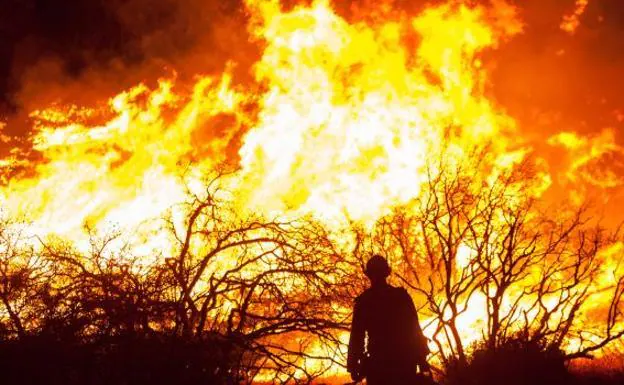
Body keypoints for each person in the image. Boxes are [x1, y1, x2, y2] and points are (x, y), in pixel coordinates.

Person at [347, 255, 431, 385]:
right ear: (387, 272)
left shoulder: (364, 301)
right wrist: (421, 359)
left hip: (380, 366)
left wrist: (353, 364)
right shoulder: (401, 297)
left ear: (368, 275)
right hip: (404, 362)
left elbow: (357, 337)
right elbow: (414, 329)